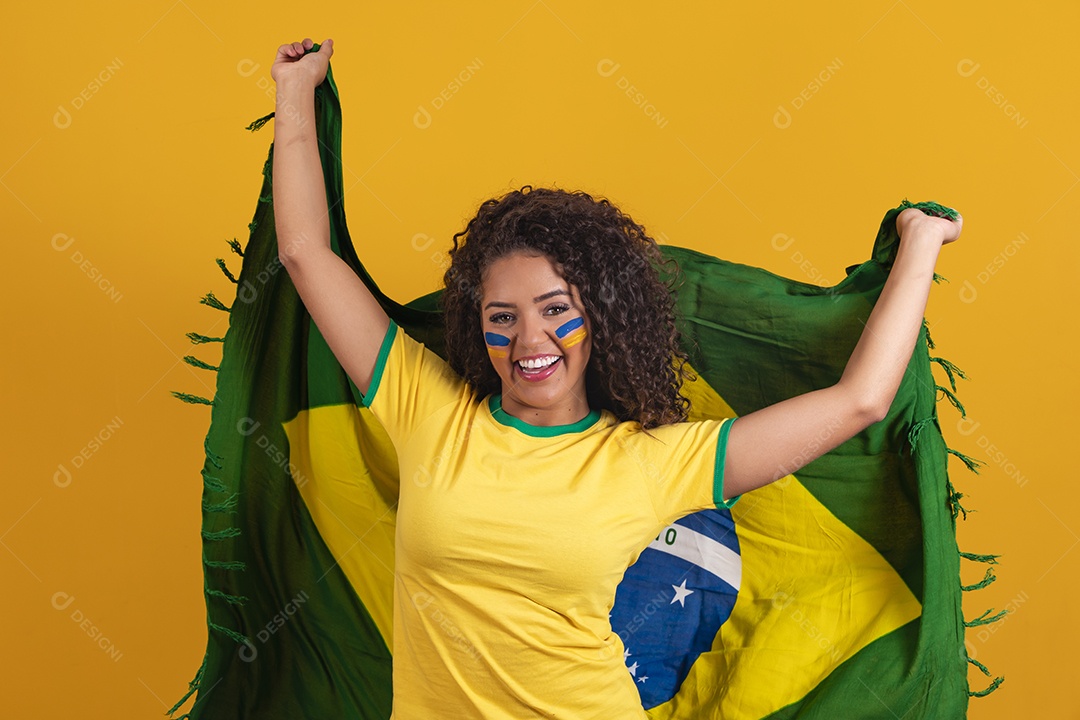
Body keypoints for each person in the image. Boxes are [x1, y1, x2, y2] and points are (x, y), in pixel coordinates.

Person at [271, 37, 963, 720]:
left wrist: (919, 244)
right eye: (502, 316)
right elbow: (305, 255)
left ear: (599, 317)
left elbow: (861, 400)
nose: (528, 340)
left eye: (555, 310)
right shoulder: (428, 409)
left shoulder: (653, 461)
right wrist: (295, 91)